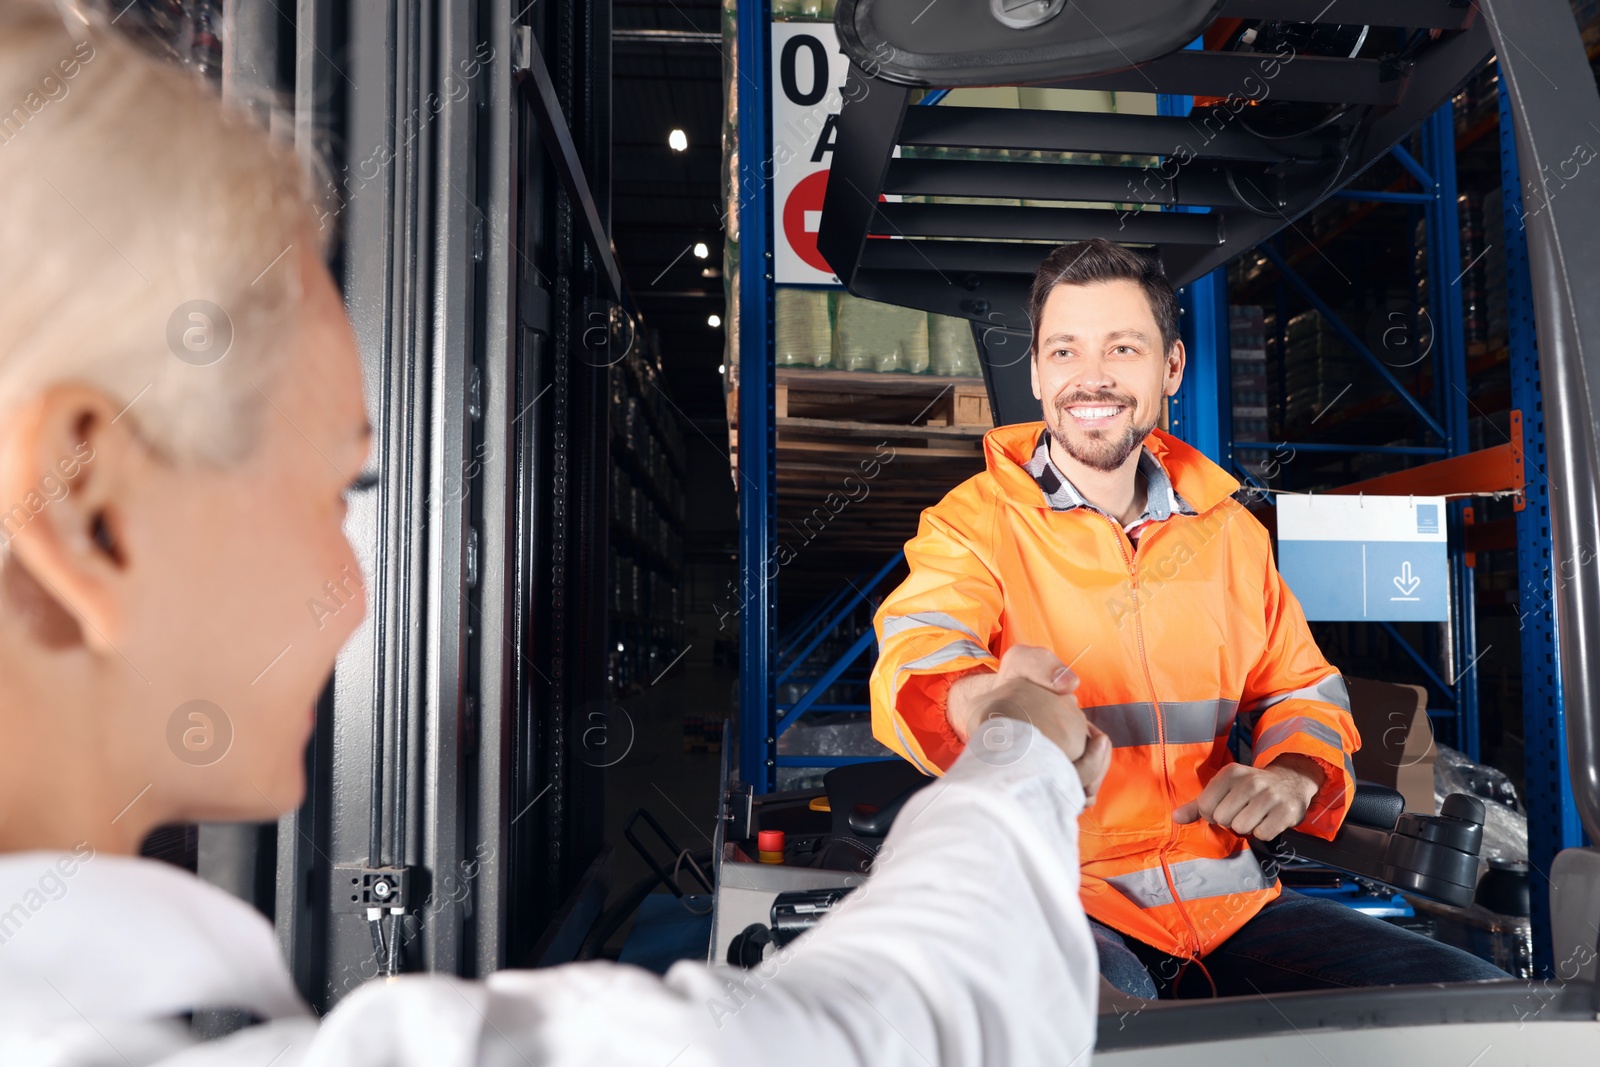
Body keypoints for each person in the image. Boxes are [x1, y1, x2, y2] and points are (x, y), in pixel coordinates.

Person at [0, 4, 1110, 1064]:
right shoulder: (975, 518)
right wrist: (1018, 744)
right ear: (93, 514)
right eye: (338, 489)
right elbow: (907, 1027)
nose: (352, 592)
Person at [869, 237, 1508, 998]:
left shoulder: (1230, 534)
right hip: (1055, 899)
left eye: (1122, 347)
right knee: (1111, 1040)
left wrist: (1294, 776)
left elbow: (1302, 690)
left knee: (1476, 1008)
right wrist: (988, 701)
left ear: (1170, 366)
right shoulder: (973, 524)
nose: (1091, 377)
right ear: (1036, 371)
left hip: (1228, 902)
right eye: (1065, 350)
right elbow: (918, 652)